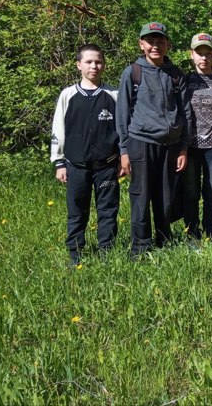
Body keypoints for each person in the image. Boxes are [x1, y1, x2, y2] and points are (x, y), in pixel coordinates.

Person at [116, 22, 191, 256]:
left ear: (168, 44)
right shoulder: (133, 72)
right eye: (150, 42)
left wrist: (183, 148)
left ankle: (163, 238)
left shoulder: (176, 75)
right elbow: (122, 111)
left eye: (160, 42)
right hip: (140, 142)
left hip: (171, 144)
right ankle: (140, 246)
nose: (155, 46)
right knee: (141, 195)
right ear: (141, 44)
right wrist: (124, 150)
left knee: (166, 195)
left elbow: (186, 113)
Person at [51, 44, 120, 265]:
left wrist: (122, 158)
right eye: (89, 62)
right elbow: (58, 129)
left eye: (98, 61)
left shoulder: (114, 95)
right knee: (76, 211)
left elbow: (122, 130)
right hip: (76, 165)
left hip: (107, 165)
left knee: (108, 210)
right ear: (79, 65)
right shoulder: (68, 95)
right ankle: (75, 252)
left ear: (104, 64)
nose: (94, 66)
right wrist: (59, 162)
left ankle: (106, 251)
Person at [181, 33, 212, 240]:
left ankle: (210, 231)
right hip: (189, 146)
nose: (204, 58)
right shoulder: (183, 80)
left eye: (208, 53)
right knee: (190, 193)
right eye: (199, 53)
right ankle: (192, 232)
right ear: (191, 55)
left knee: (211, 191)